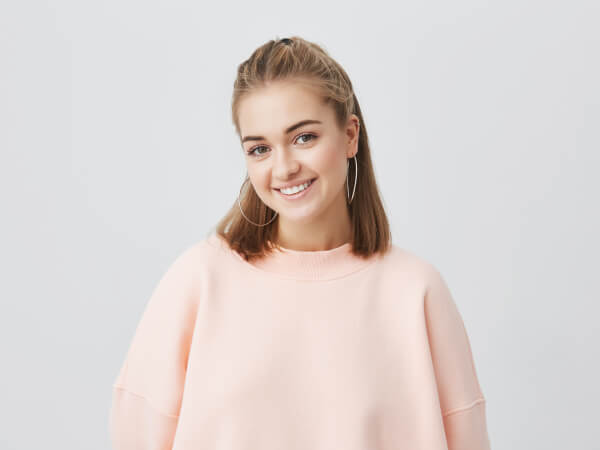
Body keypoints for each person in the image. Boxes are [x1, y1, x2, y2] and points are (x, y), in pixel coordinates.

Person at [109, 36, 491, 449]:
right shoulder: (199, 281)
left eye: (304, 137)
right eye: (260, 148)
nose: (284, 168)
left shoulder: (417, 291)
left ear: (350, 135)